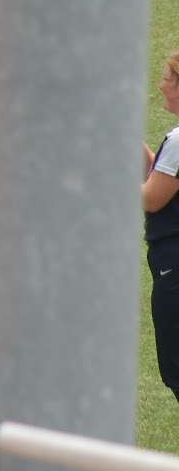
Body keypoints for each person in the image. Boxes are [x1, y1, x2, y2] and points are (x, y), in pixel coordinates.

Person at [143, 51, 179, 403]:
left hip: (174, 264)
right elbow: (163, 176)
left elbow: (153, 198)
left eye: (168, 78)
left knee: (176, 366)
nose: (162, 84)